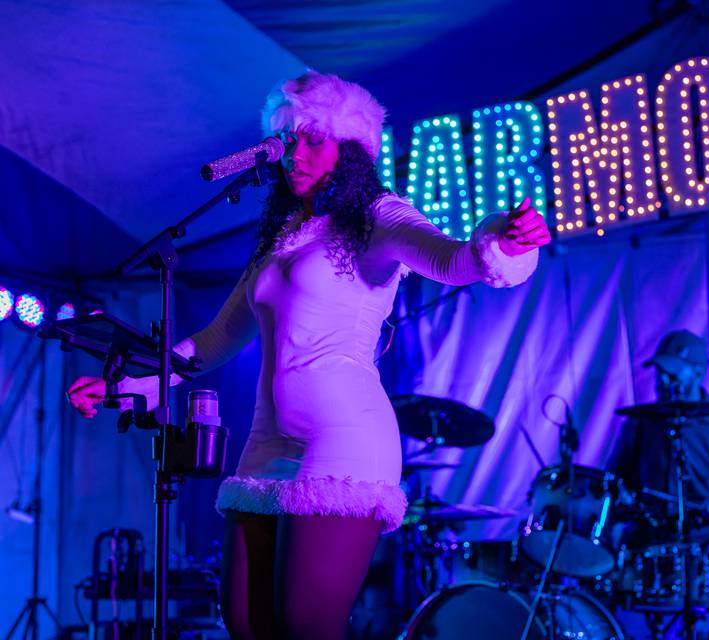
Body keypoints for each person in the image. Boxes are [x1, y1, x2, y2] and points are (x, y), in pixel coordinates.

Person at [66, 71, 551, 640]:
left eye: (313, 139)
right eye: (288, 139)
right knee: (246, 623)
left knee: (305, 627)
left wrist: (502, 240)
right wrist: (126, 385)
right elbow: (216, 339)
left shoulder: (380, 216)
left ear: (352, 148)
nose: (295, 154)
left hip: (343, 437)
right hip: (266, 441)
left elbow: (453, 259)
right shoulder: (281, 238)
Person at [607, 329, 709, 638]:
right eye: (659, 372)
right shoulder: (641, 422)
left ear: (698, 372)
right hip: (654, 533)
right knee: (602, 575)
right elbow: (614, 480)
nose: (662, 380)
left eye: (671, 373)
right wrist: (623, 500)